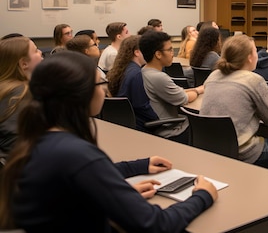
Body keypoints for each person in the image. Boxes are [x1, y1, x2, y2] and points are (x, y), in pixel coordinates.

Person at [0, 52, 217, 232]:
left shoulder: (39, 138)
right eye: (101, 83)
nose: (104, 90)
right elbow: (155, 225)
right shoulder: (76, 154)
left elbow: (82, 180)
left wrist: (135, 171)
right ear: (82, 94)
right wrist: (203, 195)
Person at [200, 35, 268, 170]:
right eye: (255, 51)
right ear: (249, 57)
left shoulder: (213, 75)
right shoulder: (253, 80)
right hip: (242, 153)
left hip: (210, 150)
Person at [139, 31, 203, 144]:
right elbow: (184, 98)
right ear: (158, 54)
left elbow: (179, 91)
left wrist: (196, 89)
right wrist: (198, 91)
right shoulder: (159, 77)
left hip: (159, 127)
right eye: (169, 50)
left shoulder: (145, 71)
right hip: (171, 131)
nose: (173, 53)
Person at [0, 37, 43, 161]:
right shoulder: (20, 93)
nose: (40, 52)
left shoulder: (6, 87)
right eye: (35, 50)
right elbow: (16, 141)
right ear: (24, 63)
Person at [108, 36, 160, 132]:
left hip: (126, 123)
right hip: (141, 126)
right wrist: (159, 120)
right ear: (136, 52)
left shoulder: (121, 70)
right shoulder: (136, 74)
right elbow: (141, 106)